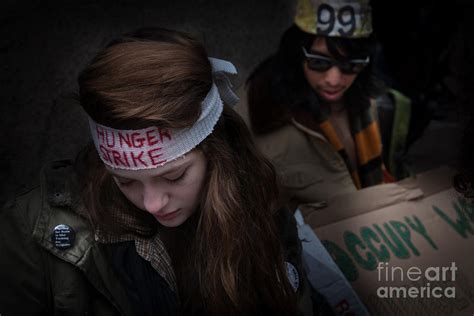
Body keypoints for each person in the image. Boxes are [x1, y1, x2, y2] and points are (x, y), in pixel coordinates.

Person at [0, 27, 314, 315]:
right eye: (125, 181)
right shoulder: (32, 228)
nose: (152, 203)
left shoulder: (263, 210)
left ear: (216, 154)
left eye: (174, 176)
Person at [236, 0, 404, 211]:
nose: (334, 80)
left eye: (350, 65)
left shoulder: (363, 100)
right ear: (297, 53)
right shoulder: (261, 107)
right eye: (319, 62)